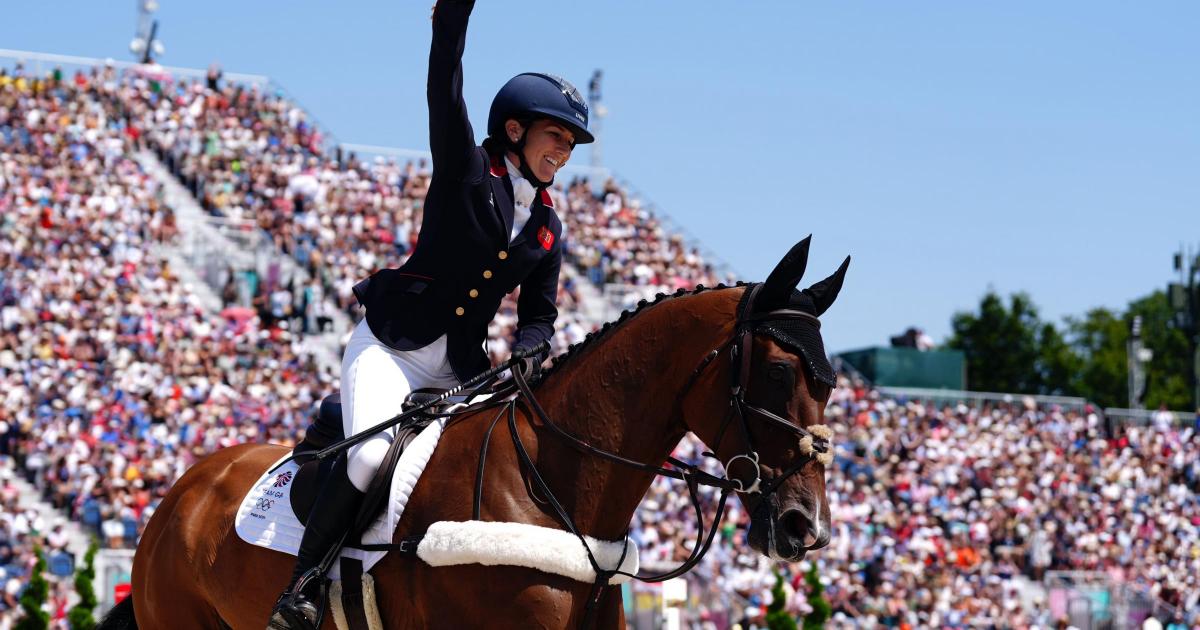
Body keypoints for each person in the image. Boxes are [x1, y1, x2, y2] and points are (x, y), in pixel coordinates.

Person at [267, 0, 593, 627]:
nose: (566, 151)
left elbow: (540, 312)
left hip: (459, 372)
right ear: (517, 130)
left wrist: (531, 344)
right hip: (393, 347)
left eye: (573, 142)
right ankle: (300, 591)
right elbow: (444, 80)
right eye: (558, 135)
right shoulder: (466, 170)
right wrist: (452, 19)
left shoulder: (549, 225)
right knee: (367, 459)